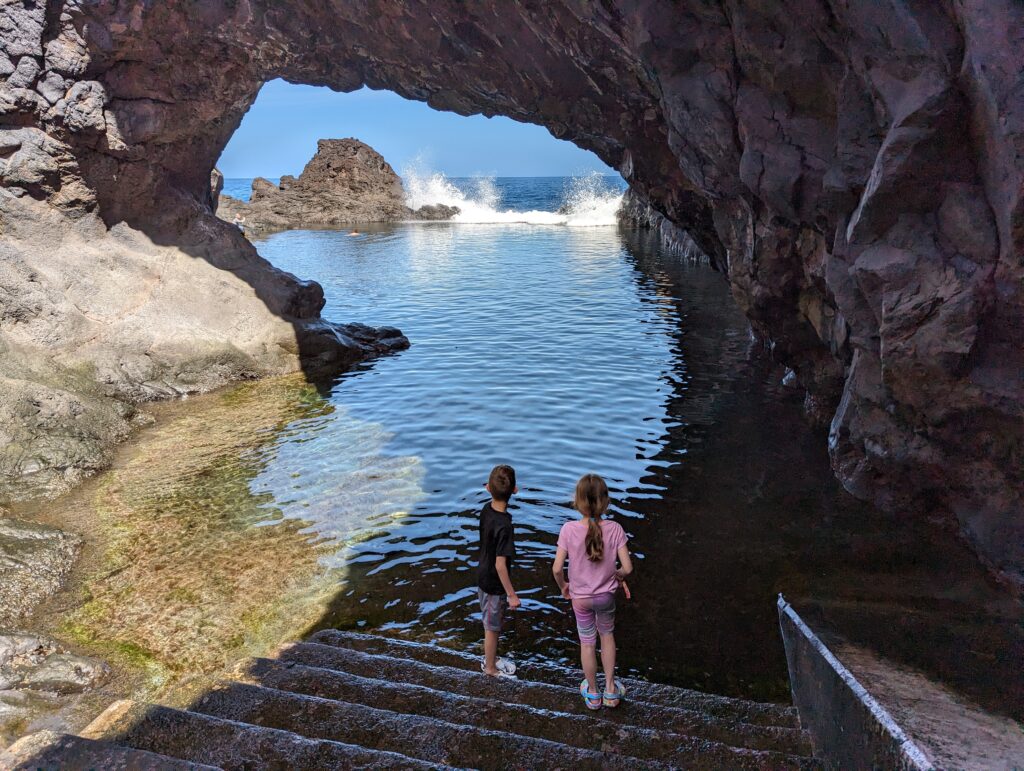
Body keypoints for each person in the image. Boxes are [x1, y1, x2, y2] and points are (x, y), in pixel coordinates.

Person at [553, 473, 632, 710]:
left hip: (580, 598)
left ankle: (593, 694)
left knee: (587, 643)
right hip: (606, 597)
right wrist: (618, 575)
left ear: (577, 501)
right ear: (605, 502)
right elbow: (628, 567)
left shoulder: (568, 530)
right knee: (607, 636)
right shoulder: (615, 529)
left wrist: (564, 586)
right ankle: (610, 690)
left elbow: (556, 569)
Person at [477, 464, 520, 677]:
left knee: (490, 622)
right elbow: (500, 565)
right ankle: (490, 668)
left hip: (482, 575)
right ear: (515, 490)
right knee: (492, 628)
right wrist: (512, 594)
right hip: (494, 584)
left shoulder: (486, 510)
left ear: (488, 488)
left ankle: (491, 657)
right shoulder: (505, 526)